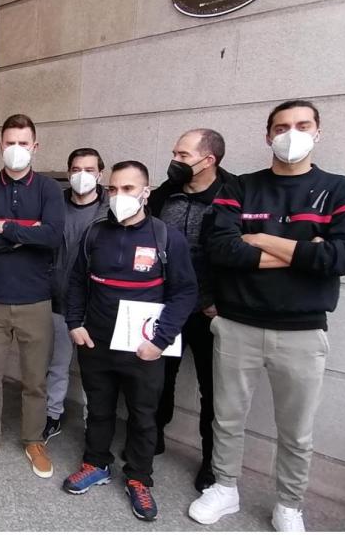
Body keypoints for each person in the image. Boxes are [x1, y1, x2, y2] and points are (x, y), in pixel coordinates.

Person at [188, 100, 345, 532]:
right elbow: (222, 249)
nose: (292, 134)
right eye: (282, 126)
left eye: (302, 125)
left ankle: (289, 504)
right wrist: (308, 253)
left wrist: (263, 239)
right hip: (237, 324)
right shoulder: (240, 188)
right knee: (227, 418)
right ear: (268, 135)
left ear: (318, 132)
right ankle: (225, 488)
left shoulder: (343, 190)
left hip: (302, 331)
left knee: (297, 431)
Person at [62, 160, 197, 521]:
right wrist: (75, 323)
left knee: (143, 415)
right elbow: (76, 281)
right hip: (96, 342)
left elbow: (185, 292)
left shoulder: (166, 237)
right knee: (100, 409)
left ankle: (139, 477)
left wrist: (160, 339)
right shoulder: (94, 234)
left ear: (146, 192)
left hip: (146, 347)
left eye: (128, 189)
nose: (118, 196)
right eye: (113, 189)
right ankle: (96, 463)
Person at [0, 114, 65, 479]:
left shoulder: (50, 190)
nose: (17, 149)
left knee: (35, 379)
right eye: (10, 142)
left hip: (36, 300)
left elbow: (53, 236)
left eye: (24, 143)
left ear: (35, 146)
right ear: (0, 145)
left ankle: (34, 440)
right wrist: (26, 233)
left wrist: (2, 228)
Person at [146, 128, 234, 491]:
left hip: (209, 311)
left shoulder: (233, 195)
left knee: (212, 390)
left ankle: (212, 461)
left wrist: (222, 300)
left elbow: (238, 253)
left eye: (182, 155)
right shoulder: (166, 195)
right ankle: (154, 436)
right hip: (166, 307)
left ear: (208, 160)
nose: (174, 162)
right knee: (158, 378)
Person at [43, 148, 110, 443]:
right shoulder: (54, 205)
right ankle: (52, 415)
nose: (82, 175)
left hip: (96, 305)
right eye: (76, 169)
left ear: (100, 173)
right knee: (57, 365)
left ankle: (91, 425)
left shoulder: (112, 210)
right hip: (58, 300)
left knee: (94, 374)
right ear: (68, 172)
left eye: (89, 169)